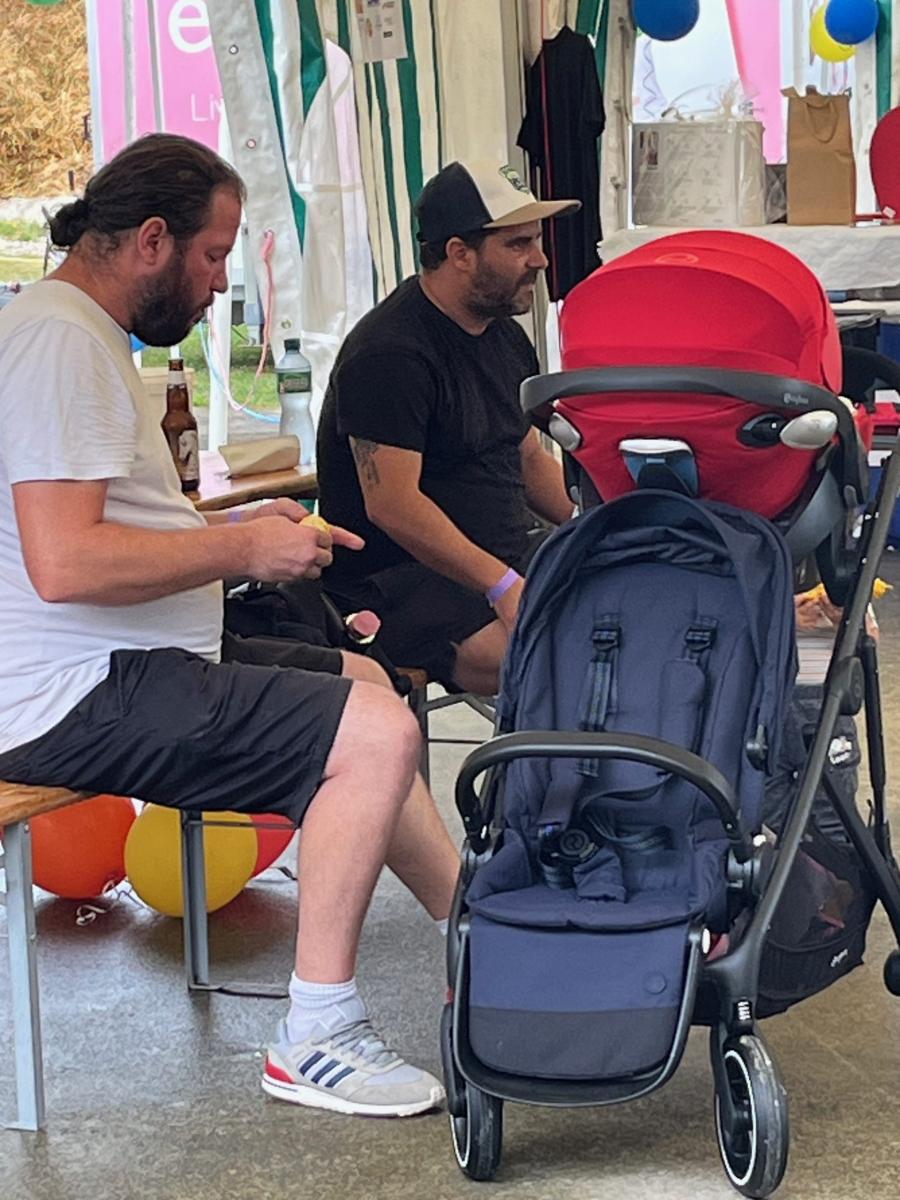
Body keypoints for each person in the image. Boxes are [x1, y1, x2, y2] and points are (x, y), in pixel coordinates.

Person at [0, 133, 460, 1118]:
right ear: (151, 240)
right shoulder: (62, 343)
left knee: (365, 683)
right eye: (213, 255)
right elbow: (65, 562)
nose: (220, 282)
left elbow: (98, 530)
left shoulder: (75, 330)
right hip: (69, 693)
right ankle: (316, 1034)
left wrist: (223, 530)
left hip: (125, 660)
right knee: (372, 734)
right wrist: (243, 551)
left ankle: (475, 933)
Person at [317, 160, 579, 696]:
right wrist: (502, 585)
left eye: (536, 241)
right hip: (398, 582)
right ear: (460, 253)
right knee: (569, 651)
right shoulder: (389, 353)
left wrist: (589, 524)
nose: (540, 259)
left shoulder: (504, 336)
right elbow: (392, 505)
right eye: (518, 244)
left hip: (499, 558)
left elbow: (527, 456)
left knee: (633, 609)